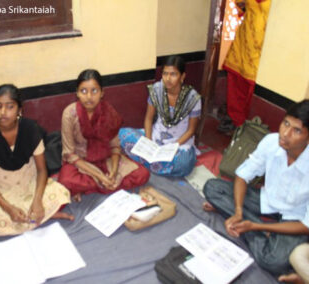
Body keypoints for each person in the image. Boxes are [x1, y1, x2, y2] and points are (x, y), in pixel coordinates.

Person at [203, 100, 309, 275]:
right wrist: (237, 211)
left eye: (296, 130)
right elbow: (243, 176)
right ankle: (248, 224)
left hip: (295, 217)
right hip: (266, 200)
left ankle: (250, 227)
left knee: (273, 262)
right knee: (212, 187)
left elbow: (306, 226)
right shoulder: (271, 142)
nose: (285, 133)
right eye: (285, 123)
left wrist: (255, 226)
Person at [0, 84, 73, 237]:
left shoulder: (31, 129)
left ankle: (30, 216)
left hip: (29, 183)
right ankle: (40, 217)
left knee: (60, 193)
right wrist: (8, 208)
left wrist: (37, 201)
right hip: (0, 189)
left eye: (10, 107)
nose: (3, 112)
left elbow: (42, 170)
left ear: (19, 111)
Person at [58, 69, 150, 201]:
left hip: (105, 160)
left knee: (143, 174)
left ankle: (92, 187)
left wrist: (113, 172)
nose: (89, 96)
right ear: (77, 93)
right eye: (84, 91)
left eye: (94, 91)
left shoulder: (108, 112)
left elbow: (115, 147)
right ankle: (102, 184)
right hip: (80, 163)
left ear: (102, 93)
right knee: (65, 181)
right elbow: (69, 154)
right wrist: (100, 176)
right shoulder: (69, 114)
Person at [119, 55, 201, 176]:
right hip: (155, 137)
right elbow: (148, 118)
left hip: (178, 144)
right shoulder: (157, 89)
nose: (168, 78)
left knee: (184, 164)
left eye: (173, 74)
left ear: (182, 76)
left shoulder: (193, 98)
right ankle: (158, 164)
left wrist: (173, 147)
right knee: (121, 134)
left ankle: (150, 162)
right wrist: (148, 141)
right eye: (165, 73)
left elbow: (191, 130)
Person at [218, 0, 272, 133]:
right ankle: (235, 121)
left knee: (251, 89)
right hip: (243, 44)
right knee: (236, 85)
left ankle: (246, 126)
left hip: (262, 51)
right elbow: (240, 6)